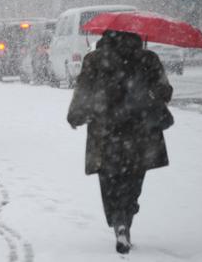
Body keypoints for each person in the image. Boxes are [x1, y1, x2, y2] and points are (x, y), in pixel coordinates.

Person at [67, 30, 173, 254]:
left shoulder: (95, 59)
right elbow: (165, 90)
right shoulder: (148, 58)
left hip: (105, 132)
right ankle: (126, 217)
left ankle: (118, 221)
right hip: (141, 132)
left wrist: (75, 114)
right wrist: (147, 95)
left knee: (109, 181)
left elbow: (83, 90)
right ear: (135, 35)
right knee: (134, 179)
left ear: (105, 35)